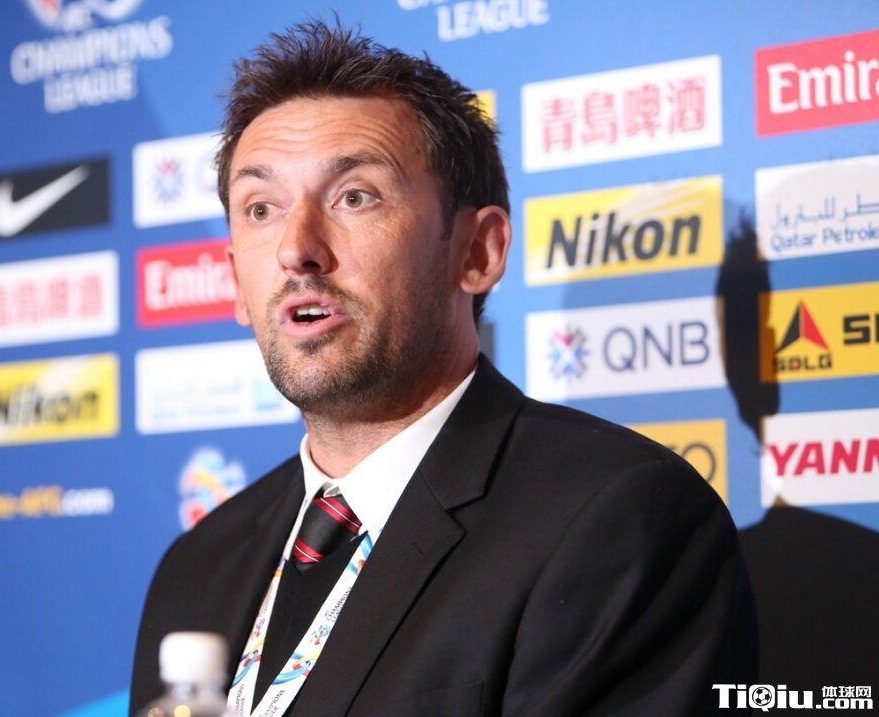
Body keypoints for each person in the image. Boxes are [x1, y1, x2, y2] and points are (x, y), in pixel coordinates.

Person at [131, 20, 757, 717]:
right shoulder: (198, 564)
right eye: (261, 208)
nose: (295, 248)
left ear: (478, 252)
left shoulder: (620, 520)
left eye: (355, 196)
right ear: (235, 282)